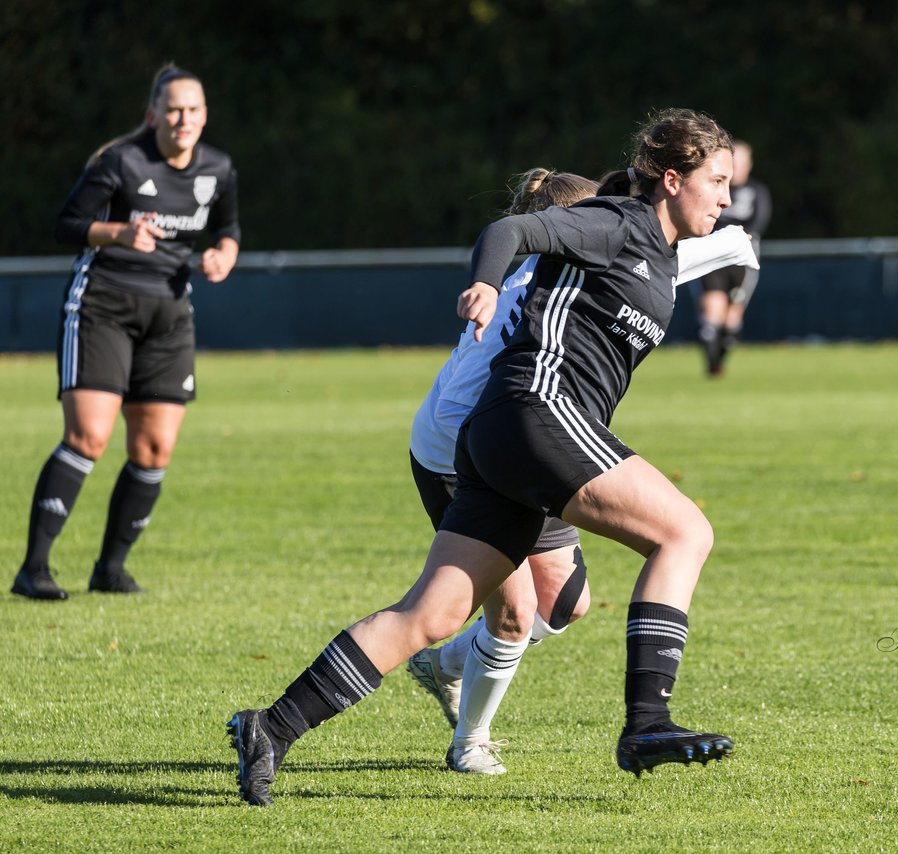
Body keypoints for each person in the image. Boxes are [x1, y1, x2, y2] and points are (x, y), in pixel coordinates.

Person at [228, 107, 738, 807]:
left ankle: (270, 728)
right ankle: (646, 722)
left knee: (430, 617)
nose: (727, 197)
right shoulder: (619, 224)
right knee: (686, 532)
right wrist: (489, 282)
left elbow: (712, 247)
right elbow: (512, 228)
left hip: (507, 436)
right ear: (673, 179)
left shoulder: (661, 252)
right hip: (537, 412)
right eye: (718, 181)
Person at [404, 169, 759, 775]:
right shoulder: (533, 286)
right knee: (512, 615)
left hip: (525, 439)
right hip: (458, 455)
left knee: (567, 603)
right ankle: (470, 740)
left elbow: (661, 261)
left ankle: (446, 663)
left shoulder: (570, 273)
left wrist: (721, 232)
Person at [11, 64, 239, 600]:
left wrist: (223, 255)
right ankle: (34, 569)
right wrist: (119, 231)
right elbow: (66, 224)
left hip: (169, 314)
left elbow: (227, 230)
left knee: (155, 447)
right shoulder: (122, 160)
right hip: (103, 306)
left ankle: (110, 569)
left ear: (205, 116)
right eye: (174, 109)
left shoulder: (219, 168)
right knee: (89, 436)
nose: (184, 119)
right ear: (153, 114)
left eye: (194, 109)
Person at [694, 139, 770, 376]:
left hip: (741, 257)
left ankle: (720, 359)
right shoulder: (715, 189)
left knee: (732, 319)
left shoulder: (756, 191)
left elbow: (760, 220)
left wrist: (741, 238)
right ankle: (711, 363)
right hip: (713, 254)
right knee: (712, 310)